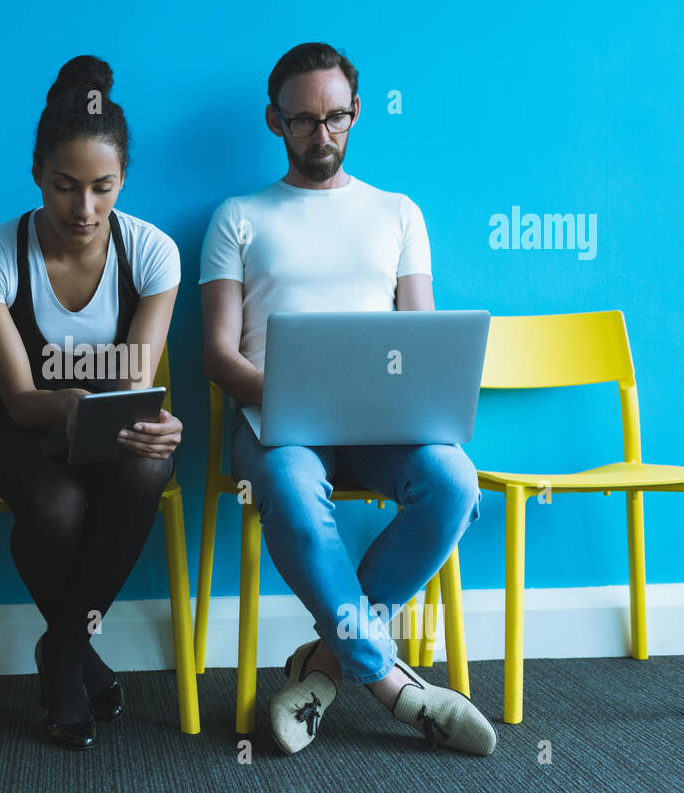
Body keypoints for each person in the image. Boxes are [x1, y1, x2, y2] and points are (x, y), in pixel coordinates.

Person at [200, 42, 497, 756]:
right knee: (292, 493)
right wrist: (289, 394)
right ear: (275, 121)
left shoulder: (397, 212)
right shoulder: (237, 215)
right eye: (303, 121)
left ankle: (324, 667)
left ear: (357, 114)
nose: (321, 135)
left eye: (335, 118)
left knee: (455, 481)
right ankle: (393, 685)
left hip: (383, 422)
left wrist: (408, 398)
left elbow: (422, 340)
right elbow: (217, 354)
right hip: (275, 421)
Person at [0, 55, 182, 749]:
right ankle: (75, 656)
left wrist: (154, 424)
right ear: (36, 174)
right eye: (64, 187)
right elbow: (22, 397)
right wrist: (73, 404)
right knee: (56, 508)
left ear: (122, 181)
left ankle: (59, 652)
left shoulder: (152, 253)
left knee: (149, 467)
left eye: (102, 188)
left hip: (109, 425)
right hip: (28, 429)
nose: (83, 210)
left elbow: (136, 380)